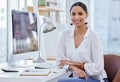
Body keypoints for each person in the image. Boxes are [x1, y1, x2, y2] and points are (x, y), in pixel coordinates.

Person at [56, 2, 109, 82]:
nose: (76, 17)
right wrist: (74, 68)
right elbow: (59, 62)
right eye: (73, 14)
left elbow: (98, 67)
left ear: (86, 15)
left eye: (80, 14)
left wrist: (76, 64)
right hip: (79, 78)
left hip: (96, 78)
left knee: (62, 81)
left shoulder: (93, 36)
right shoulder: (65, 35)